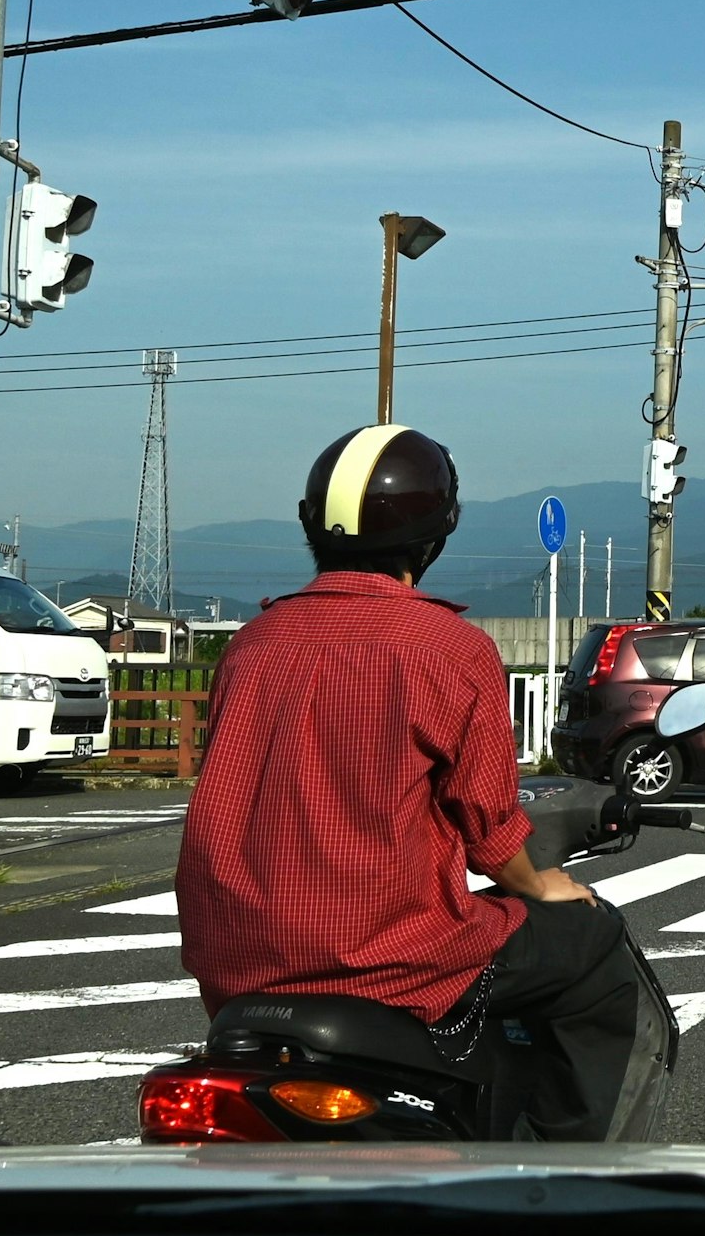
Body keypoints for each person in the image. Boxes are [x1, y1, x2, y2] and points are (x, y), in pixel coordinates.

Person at [177, 422, 672, 1142]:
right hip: (384, 958)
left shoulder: (253, 645)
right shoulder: (448, 648)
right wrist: (545, 886)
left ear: (310, 525)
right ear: (435, 537)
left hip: (235, 963)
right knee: (590, 939)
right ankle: (576, 1177)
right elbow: (486, 829)